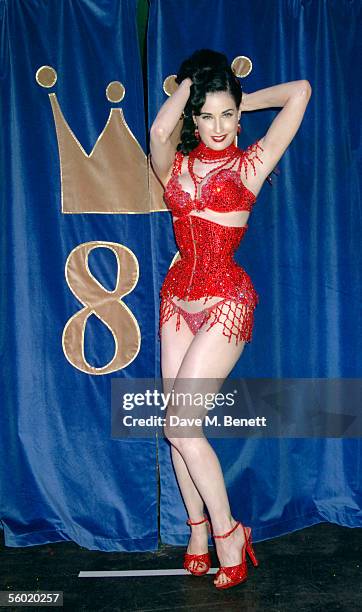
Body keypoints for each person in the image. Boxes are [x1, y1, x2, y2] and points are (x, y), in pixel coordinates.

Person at [150, 49, 312, 589]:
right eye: (208, 115)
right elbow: (156, 130)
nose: (219, 127)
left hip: (224, 299)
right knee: (176, 433)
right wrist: (190, 88)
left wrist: (237, 96)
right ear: (194, 119)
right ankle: (196, 530)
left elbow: (301, 91)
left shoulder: (252, 162)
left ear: (238, 118)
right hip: (177, 298)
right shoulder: (175, 163)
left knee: (180, 424)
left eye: (228, 115)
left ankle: (228, 533)